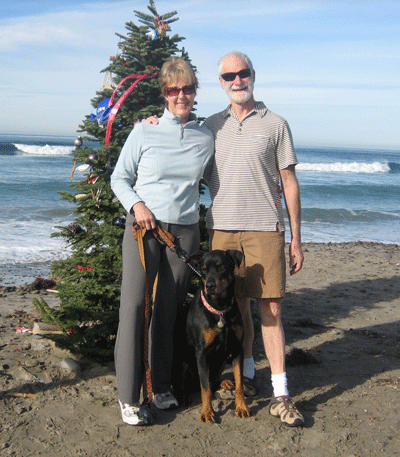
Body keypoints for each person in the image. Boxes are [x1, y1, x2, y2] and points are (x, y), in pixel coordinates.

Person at [203, 51, 304, 427]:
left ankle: (281, 393)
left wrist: (296, 238)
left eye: (243, 73)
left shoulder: (276, 124)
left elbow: (289, 182)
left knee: (271, 310)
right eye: (229, 76)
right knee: (236, 307)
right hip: (223, 230)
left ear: (253, 75)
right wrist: (151, 122)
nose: (237, 80)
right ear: (222, 82)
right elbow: (177, 149)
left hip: (265, 227)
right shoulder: (210, 126)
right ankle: (246, 372)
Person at [110, 57, 214, 426]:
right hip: (145, 227)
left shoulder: (206, 137)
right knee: (135, 305)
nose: (180, 95)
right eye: (173, 89)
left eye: (187, 88)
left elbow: (217, 181)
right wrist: (137, 205)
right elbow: (119, 178)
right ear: (164, 93)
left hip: (185, 231)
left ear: (195, 91)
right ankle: (128, 396)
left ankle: (162, 387)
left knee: (169, 311)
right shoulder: (145, 131)